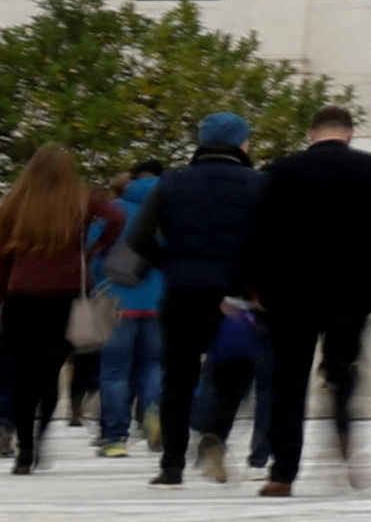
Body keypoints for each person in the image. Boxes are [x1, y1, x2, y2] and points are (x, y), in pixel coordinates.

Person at [238, 106, 371, 496]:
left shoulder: (283, 169)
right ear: (351, 134)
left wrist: (254, 283)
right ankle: (344, 432)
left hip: (292, 289)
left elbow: (260, 229)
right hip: (353, 286)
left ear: (310, 133)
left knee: (289, 377)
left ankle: (283, 471)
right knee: (343, 367)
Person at [132, 116, 262, 483]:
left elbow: (139, 238)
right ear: (242, 144)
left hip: (183, 291)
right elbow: (268, 243)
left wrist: (170, 265)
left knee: (179, 376)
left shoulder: (171, 183)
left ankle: (171, 464)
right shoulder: (258, 185)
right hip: (233, 296)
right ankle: (214, 435)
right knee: (235, 370)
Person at [0, 148, 87, 470]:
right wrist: (90, 254)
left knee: (23, 375)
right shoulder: (77, 205)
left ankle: (23, 448)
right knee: (49, 373)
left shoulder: (14, 204)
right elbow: (116, 219)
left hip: (21, 297)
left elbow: (2, 257)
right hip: (64, 297)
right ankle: (40, 437)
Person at [85, 162, 167, 456]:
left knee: (114, 372)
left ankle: (116, 438)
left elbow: (91, 252)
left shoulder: (112, 210)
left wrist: (98, 287)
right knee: (155, 366)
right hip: (159, 301)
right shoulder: (171, 208)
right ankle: (153, 414)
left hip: (116, 300)